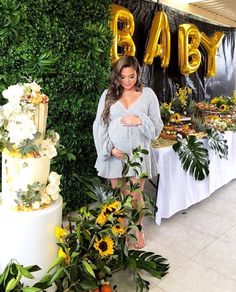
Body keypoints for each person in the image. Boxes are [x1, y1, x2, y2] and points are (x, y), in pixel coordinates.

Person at [93, 55, 163, 249]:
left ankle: (138, 228)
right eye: (122, 77)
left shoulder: (148, 95)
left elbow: (157, 127)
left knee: (134, 196)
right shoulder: (109, 94)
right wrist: (109, 149)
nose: (126, 81)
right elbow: (100, 124)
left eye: (131, 77)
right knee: (118, 195)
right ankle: (121, 230)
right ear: (117, 76)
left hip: (138, 156)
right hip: (115, 156)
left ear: (138, 74)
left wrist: (139, 120)